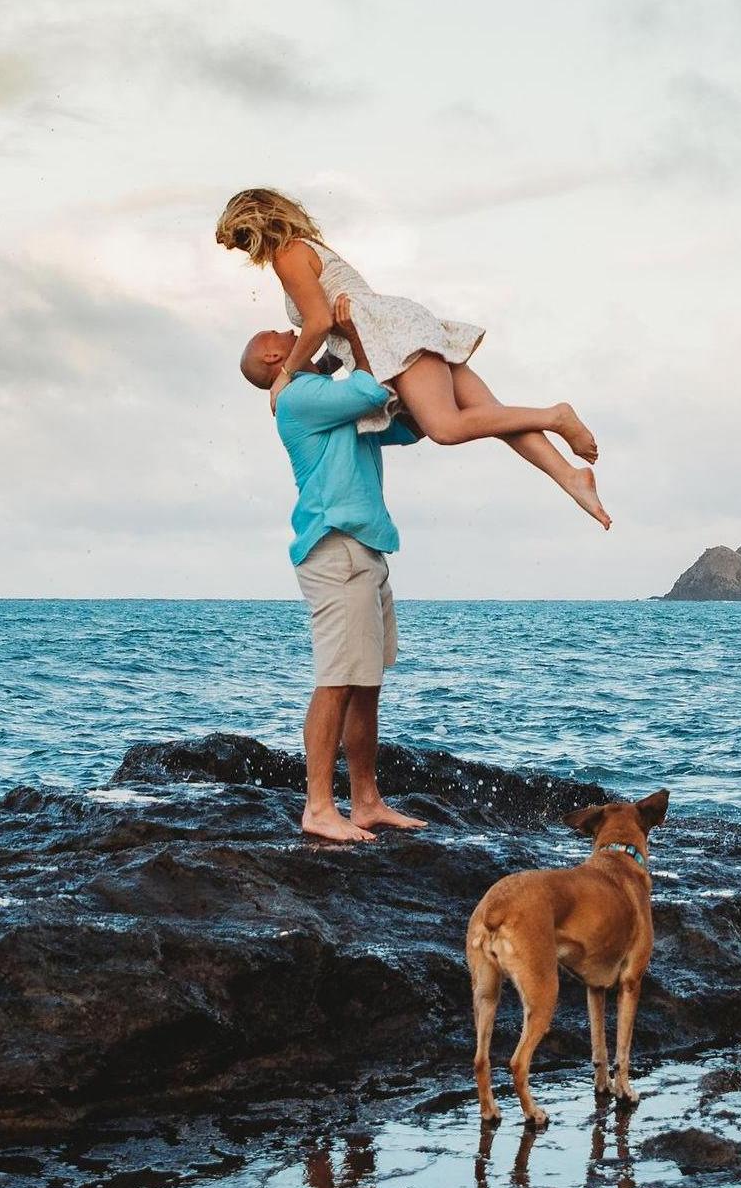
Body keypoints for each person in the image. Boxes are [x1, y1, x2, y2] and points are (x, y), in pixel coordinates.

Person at [215, 187, 609, 529]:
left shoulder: (286, 254)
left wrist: (283, 375)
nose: (247, 253)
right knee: (493, 415)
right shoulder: (305, 248)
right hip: (395, 329)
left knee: (446, 427)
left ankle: (555, 415)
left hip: (391, 335)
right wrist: (319, 367)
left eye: (242, 242)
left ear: (255, 225)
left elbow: (318, 322)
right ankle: (571, 478)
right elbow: (336, 329)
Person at [241, 319, 430, 844]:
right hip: (336, 546)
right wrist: (354, 329)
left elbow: (402, 425)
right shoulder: (300, 396)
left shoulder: (327, 398)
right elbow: (369, 387)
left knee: (366, 683)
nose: (288, 326)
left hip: (365, 546)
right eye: (277, 334)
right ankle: (319, 807)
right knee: (338, 680)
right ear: (276, 362)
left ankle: (366, 802)